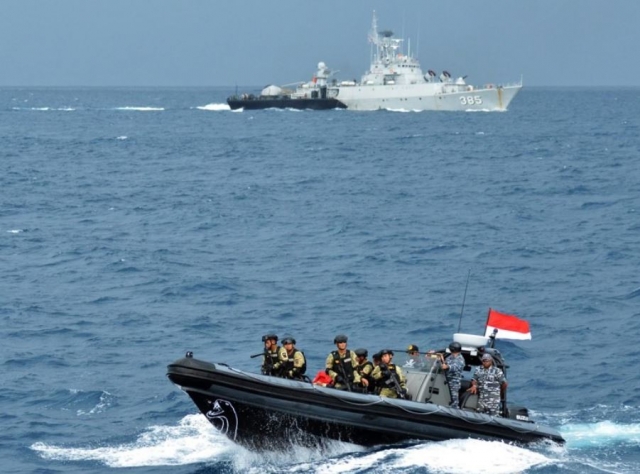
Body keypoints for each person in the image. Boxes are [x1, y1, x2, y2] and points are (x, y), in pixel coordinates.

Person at [440, 341, 465, 407]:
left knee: (453, 401)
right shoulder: (449, 357)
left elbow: (455, 367)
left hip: (453, 383)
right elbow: (443, 365)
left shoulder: (460, 359)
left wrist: (447, 366)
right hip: (445, 382)